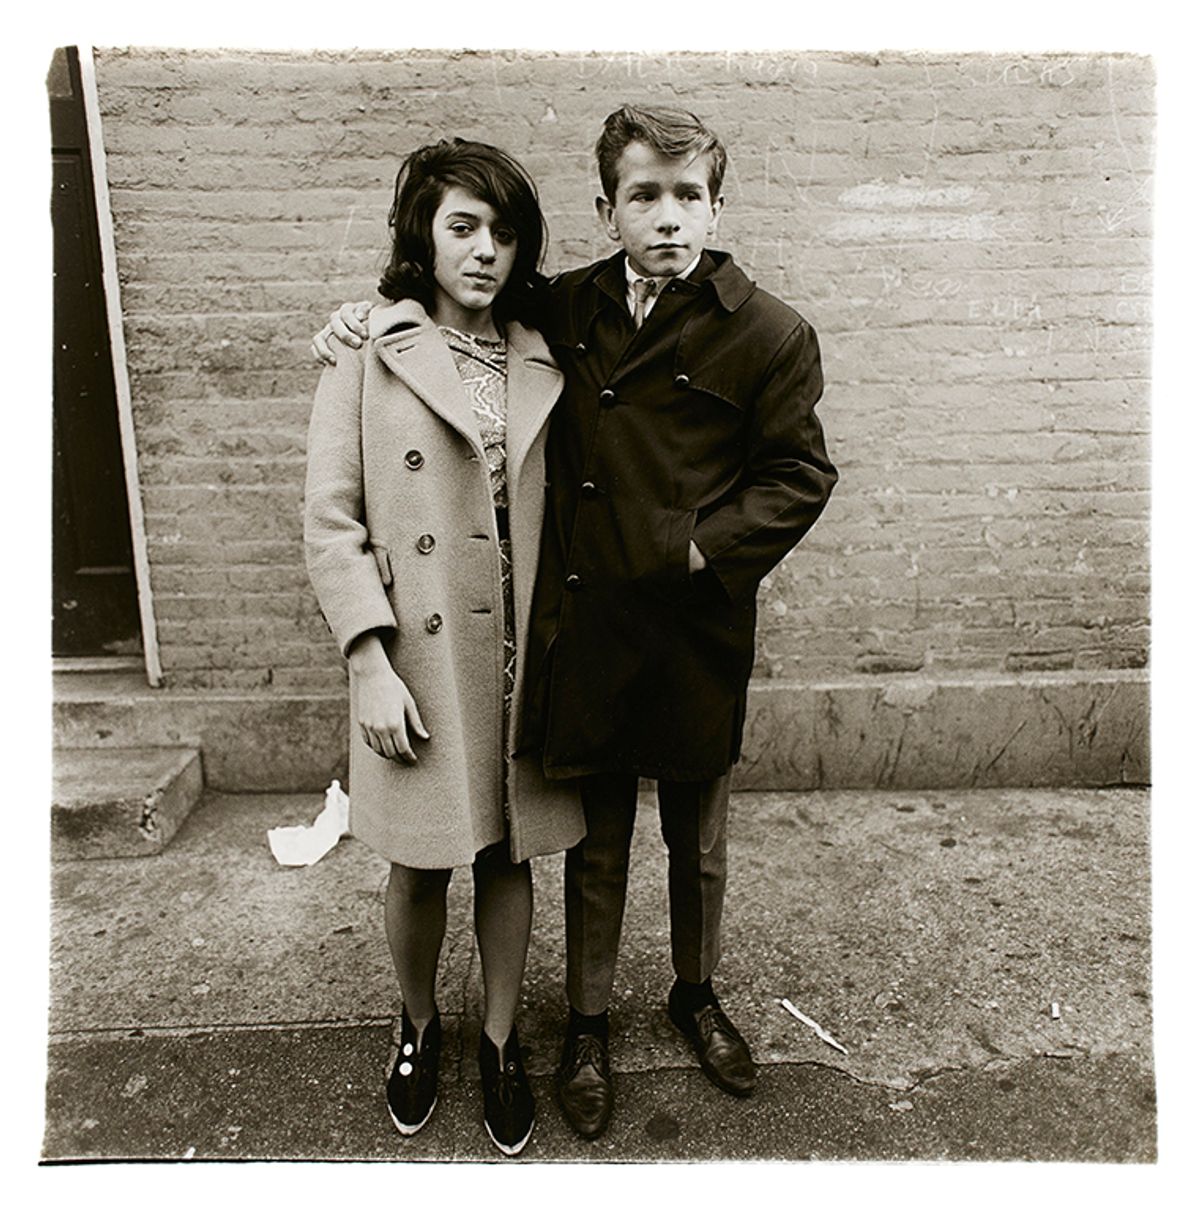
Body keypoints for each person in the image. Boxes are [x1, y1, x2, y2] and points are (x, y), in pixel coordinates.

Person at [312, 104, 838, 1141]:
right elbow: (355, 474)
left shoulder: (761, 330)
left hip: (680, 628)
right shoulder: (563, 309)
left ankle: (682, 997)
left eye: (690, 196)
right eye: (644, 195)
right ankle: (558, 1022)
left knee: (691, 842)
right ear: (607, 210)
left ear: (718, 206)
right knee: (572, 845)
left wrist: (701, 548)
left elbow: (800, 472)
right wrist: (359, 316)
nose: (669, 218)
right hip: (559, 633)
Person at [303, 137, 583, 1157]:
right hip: (416, 656)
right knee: (422, 862)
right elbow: (331, 520)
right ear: (422, 231)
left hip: (521, 653)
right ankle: (418, 1023)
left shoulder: (545, 348)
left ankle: (501, 1038)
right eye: (463, 226)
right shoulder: (367, 350)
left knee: (510, 855)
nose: (485, 250)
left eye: (505, 232)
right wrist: (368, 662)